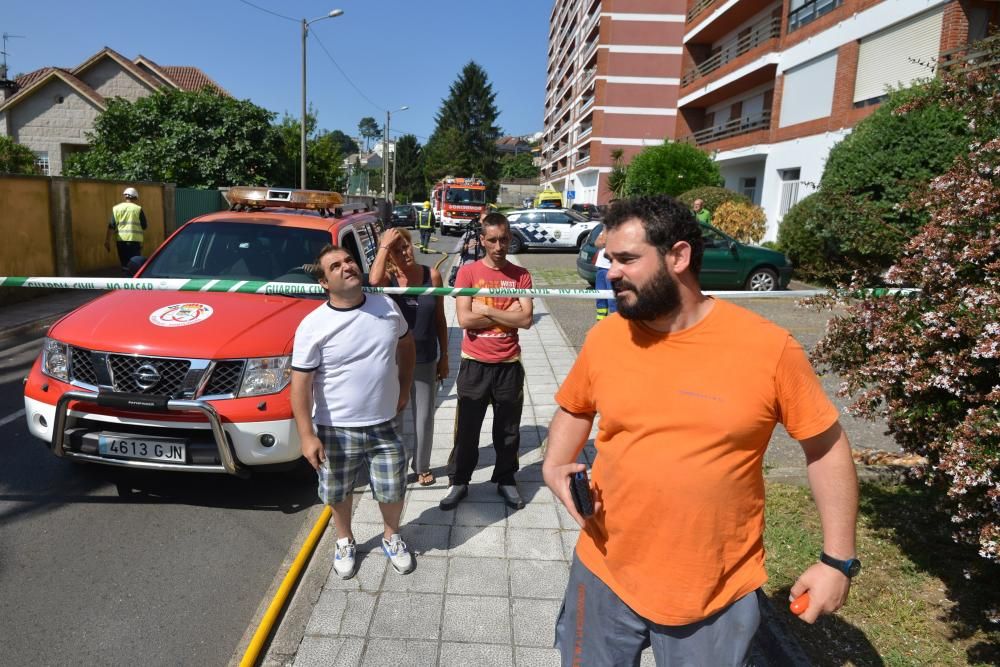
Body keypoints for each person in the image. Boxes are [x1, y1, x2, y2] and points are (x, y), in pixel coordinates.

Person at [543, 195, 860, 665]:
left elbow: (827, 450)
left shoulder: (768, 349)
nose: (611, 272)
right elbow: (574, 408)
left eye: (627, 259)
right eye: (609, 259)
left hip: (713, 590)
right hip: (604, 568)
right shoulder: (606, 337)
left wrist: (837, 561)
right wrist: (553, 465)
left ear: (678, 257)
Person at [290, 244, 417, 579]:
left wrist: (404, 388)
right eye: (335, 266)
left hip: (384, 422)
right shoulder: (313, 325)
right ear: (324, 283)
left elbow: (406, 344)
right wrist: (306, 436)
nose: (347, 266)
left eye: (349, 260)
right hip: (335, 427)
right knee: (338, 490)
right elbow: (300, 385)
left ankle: (392, 536)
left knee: (392, 486)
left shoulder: (387, 306)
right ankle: (344, 539)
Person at [440, 212, 534, 511]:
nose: (498, 246)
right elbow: (466, 318)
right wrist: (507, 314)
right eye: (492, 240)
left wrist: (488, 310)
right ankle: (459, 482)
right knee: (467, 429)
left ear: (510, 239)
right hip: (475, 364)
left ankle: (506, 480)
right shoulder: (468, 273)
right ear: (482, 240)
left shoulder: (521, 275)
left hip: (508, 364)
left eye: (503, 239)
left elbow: (527, 319)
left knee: (508, 430)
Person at [369, 227, 449, 486]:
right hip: (393, 360)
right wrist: (384, 246)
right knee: (395, 414)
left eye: (406, 246)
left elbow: (440, 319)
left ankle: (422, 465)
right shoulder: (388, 280)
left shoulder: (432, 276)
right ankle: (396, 465)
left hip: (425, 357)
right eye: (396, 249)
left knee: (424, 416)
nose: (404, 253)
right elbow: (372, 281)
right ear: (388, 255)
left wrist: (445, 356)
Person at [105, 187, 148, 272]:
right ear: (135, 197)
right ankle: (134, 281)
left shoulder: (116, 208)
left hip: (121, 241)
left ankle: (126, 280)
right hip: (134, 241)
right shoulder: (138, 209)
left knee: (125, 264)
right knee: (135, 264)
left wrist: (107, 241)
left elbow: (111, 226)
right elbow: (144, 226)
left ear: (125, 197)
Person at [592, 227, 616, 321]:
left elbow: (604, 241)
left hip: (611, 268)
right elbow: (597, 243)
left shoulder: (617, 227)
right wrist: (604, 235)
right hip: (601, 268)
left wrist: (605, 235)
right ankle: (600, 323)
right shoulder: (606, 228)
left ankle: (616, 324)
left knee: (613, 300)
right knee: (600, 298)